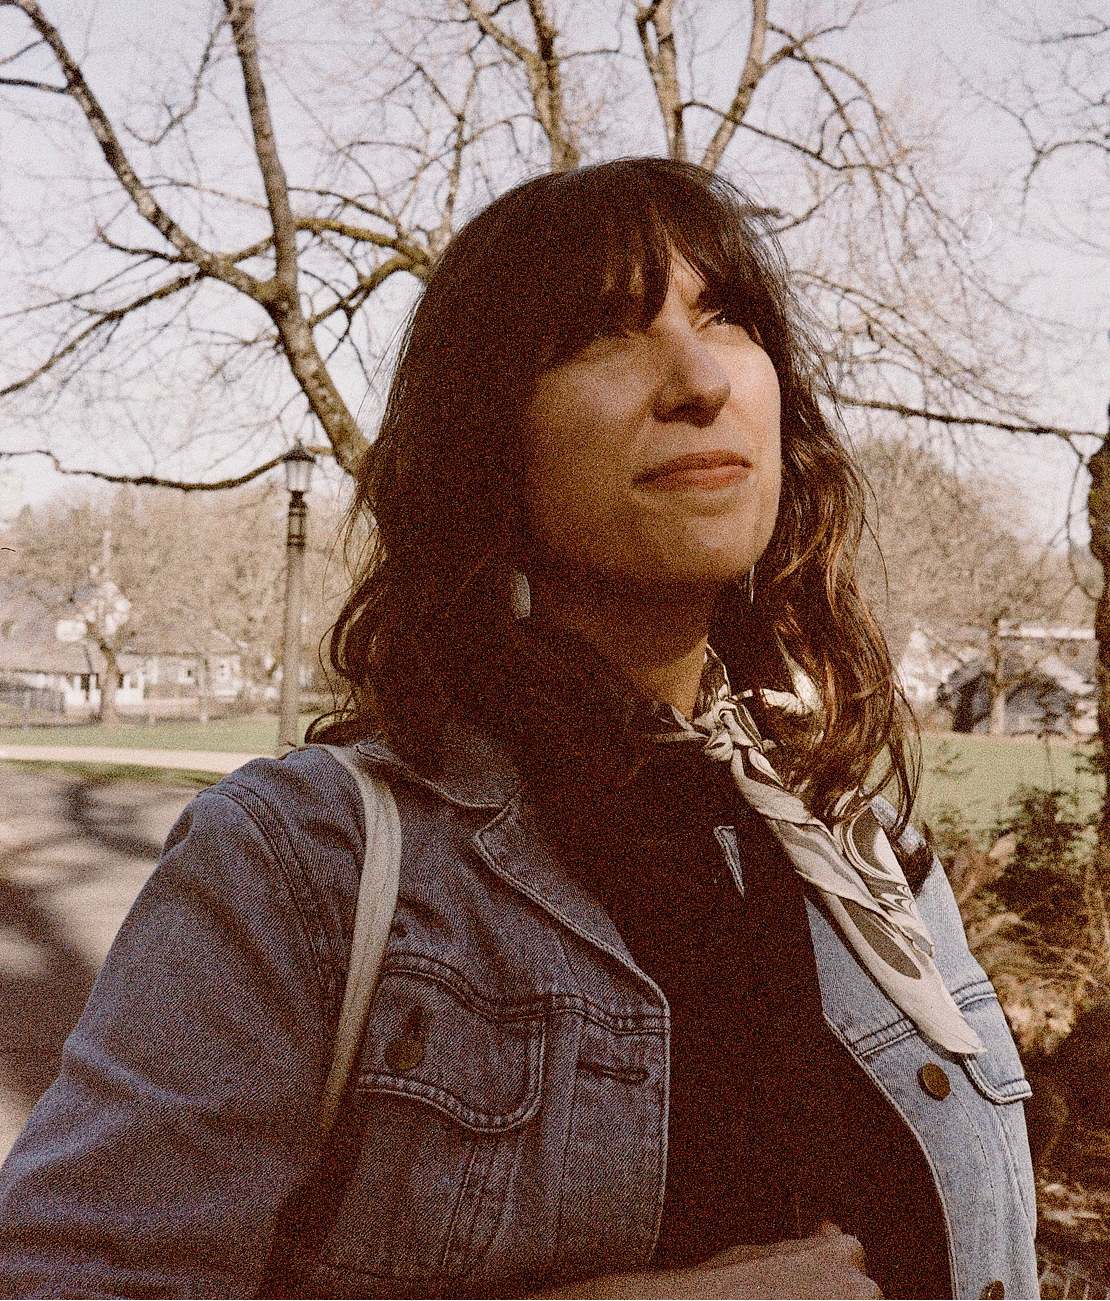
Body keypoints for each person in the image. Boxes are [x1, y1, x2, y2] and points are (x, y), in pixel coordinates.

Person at [0, 158, 1037, 1301]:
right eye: (604, 333)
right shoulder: (301, 863)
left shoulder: (869, 853)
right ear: (490, 439)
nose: (698, 380)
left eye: (728, 317)